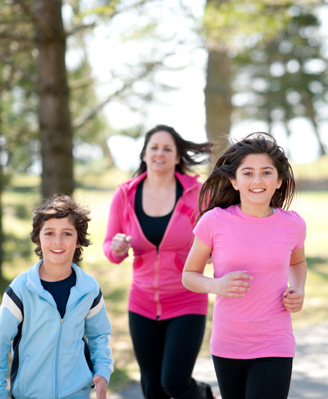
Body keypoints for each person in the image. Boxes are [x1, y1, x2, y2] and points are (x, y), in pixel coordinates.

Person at [182, 132, 308, 399]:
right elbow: (189, 275)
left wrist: (298, 289)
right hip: (229, 343)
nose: (257, 180)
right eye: (248, 173)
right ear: (234, 181)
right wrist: (216, 285)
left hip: (275, 341)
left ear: (279, 180)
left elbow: (297, 262)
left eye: (266, 172)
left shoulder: (293, 224)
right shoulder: (214, 221)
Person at [103, 124, 214, 399]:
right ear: (144, 154)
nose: (159, 153)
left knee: (174, 382)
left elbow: (217, 237)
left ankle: (204, 394)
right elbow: (109, 248)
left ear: (177, 157)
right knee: (152, 388)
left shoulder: (198, 194)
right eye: (154, 147)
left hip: (187, 299)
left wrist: (212, 253)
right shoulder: (125, 195)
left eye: (167, 148)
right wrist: (116, 248)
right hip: (141, 303)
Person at [0, 195, 114, 399]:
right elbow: (0, 344)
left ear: (79, 240)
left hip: (77, 393)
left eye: (67, 234)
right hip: (29, 394)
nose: (58, 241)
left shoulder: (89, 289)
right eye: (50, 233)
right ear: (38, 239)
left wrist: (103, 372)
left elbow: (99, 337)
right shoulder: (21, 289)